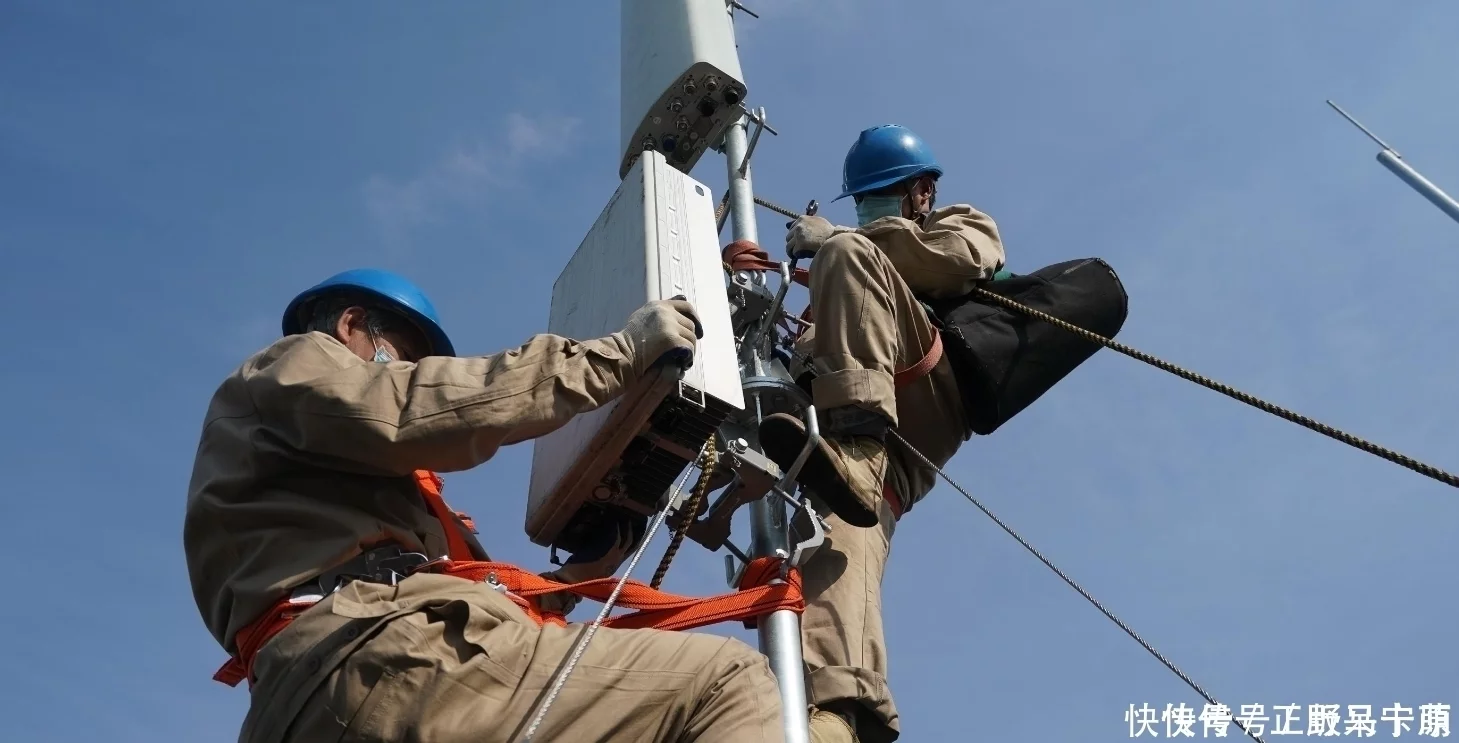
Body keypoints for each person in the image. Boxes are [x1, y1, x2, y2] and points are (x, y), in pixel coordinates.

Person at [184, 268, 785, 743]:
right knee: (724, 682)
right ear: (352, 325)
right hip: (376, 661)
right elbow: (418, 406)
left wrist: (568, 583)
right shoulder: (296, 363)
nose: (413, 371)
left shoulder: (329, 485)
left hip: (315, 690)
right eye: (405, 357)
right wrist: (619, 355)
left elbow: (457, 592)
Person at [759, 125, 1008, 743]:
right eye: (865, 203)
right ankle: (841, 715)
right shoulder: (847, 284)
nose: (869, 212)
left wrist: (840, 240)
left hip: (925, 390)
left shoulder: (962, 225)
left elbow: (956, 262)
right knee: (836, 549)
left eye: (880, 198)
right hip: (863, 452)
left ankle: (858, 451)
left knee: (847, 256)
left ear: (921, 192)